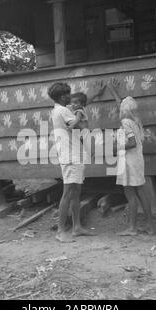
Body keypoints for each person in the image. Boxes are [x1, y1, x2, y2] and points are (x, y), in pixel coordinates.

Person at [48, 82, 96, 243]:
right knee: (68, 192)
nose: (71, 96)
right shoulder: (63, 111)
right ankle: (61, 231)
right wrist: (81, 118)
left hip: (73, 153)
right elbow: (80, 126)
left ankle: (77, 227)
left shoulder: (58, 110)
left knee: (75, 192)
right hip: (70, 156)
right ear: (63, 96)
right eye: (68, 94)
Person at [107, 79, 156, 236]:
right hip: (136, 161)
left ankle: (132, 228)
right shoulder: (136, 121)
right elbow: (122, 104)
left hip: (128, 161)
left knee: (130, 195)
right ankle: (150, 226)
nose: (119, 107)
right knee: (141, 192)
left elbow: (132, 143)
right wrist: (114, 92)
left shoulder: (125, 122)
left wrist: (115, 147)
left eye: (121, 107)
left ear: (124, 110)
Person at [69, 81, 106, 161]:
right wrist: (96, 94)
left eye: (75, 103)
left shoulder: (78, 110)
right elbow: (84, 102)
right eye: (72, 102)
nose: (72, 104)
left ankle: (90, 154)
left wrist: (72, 125)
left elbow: (78, 118)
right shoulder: (76, 107)